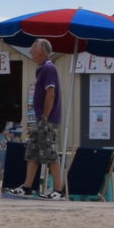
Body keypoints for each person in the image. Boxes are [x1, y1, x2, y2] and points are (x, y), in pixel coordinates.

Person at [25, 46, 63, 196]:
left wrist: (45, 116)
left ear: (42, 50)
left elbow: (51, 93)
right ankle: (27, 187)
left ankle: (59, 190)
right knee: (33, 152)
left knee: (50, 152)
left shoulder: (48, 68)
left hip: (47, 120)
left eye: (33, 48)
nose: (30, 51)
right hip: (40, 119)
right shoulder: (42, 69)